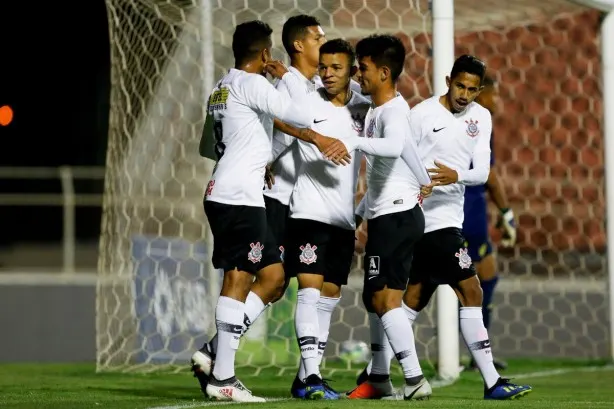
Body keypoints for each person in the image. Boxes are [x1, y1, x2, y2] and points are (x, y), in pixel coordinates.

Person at [354, 55, 532, 401]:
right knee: (472, 292)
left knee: (413, 299)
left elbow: (481, 171)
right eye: (459, 86)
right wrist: (406, 190)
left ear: (479, 90)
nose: (464, 94)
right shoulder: (420, 115)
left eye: (472, 89)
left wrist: (456, 176)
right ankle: (492, 382)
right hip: (426, 221)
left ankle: (378, 368)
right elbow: (400, 156)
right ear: (449, 80)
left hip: (449, 219)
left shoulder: (482, 118)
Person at [191, 20, 331, 403]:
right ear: (266, 53)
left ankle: (215, 354)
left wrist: (253, 153)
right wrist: (286, 76)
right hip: (239, 195)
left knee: (271, 275)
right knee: (238, 277)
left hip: (228, 188)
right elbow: (301, 114)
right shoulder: (254, 84)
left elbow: (208, 146)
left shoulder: (220, 87)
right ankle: (223, 377)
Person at [324, 34, 434, 401]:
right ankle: (381, 378)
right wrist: (360, 212)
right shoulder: (378, 108)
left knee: (383, 301)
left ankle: (414, 379)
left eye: (364, 68)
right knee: (375, 298)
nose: (358, 73)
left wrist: (353, 142)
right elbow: (398, 160)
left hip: (396, 216)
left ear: (384, 72)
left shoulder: (393, 112)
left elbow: (394, 146)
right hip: (390, 213)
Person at [278, 38, 370, 400]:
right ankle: (314, 376)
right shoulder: (306, 101)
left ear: (351, 71)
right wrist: (312, 136)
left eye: (336, 68)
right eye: (324, 67)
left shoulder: (363, 108)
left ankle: (304, 379)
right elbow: (276, 118)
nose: (328, 74)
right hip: (308, 213)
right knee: (310, 290)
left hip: (343, 218)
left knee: (330, 295)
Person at [463, 75, 516, 371]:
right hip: (470, 213)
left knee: (481, 278)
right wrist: (507, 212)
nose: (497, 102)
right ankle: (478, 354)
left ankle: (383, 356)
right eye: (494, 95)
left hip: (455, 212)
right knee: (482, 282)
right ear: (480, 94)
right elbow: (490, 175)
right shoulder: (480, 122)